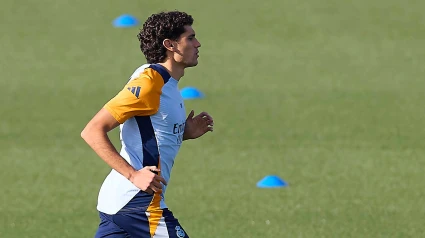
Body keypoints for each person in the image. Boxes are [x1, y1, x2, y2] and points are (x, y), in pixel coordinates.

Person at [81, 10, 214, 238]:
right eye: (190, 38)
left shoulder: (168, 84)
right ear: (170, 45)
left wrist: (183, 132)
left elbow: (150, 131)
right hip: (137, 202)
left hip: (119, 205)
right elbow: (92, 131)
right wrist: (133, 175)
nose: (198, 44)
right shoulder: (149, 83)